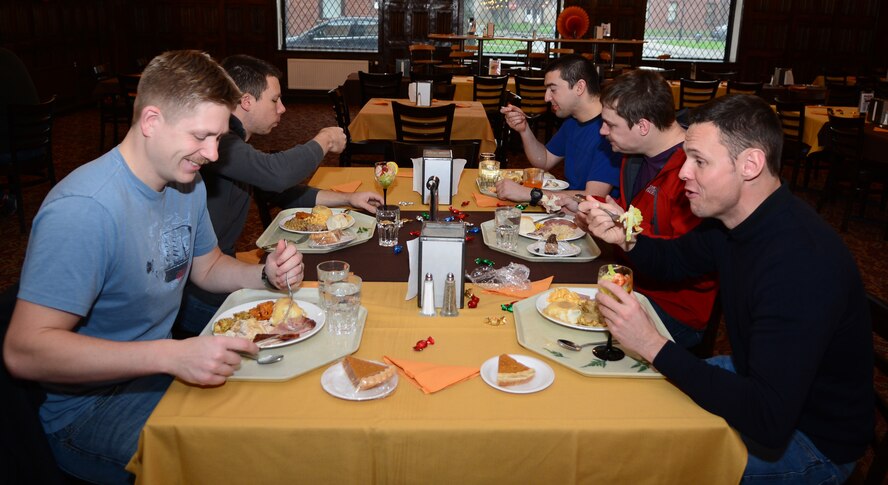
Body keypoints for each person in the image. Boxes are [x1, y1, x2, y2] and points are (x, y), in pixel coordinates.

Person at [2, 50, 306, 484]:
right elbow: (24, 351)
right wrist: (171, 354)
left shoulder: (186, 183)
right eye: (202, 136)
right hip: (89, 411)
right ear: (150, 122)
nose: (213, 153)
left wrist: (264, 273)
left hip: (152, 377)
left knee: (279, 414)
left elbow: (208, 267)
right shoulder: (86, 210)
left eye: (219, 138)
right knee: (248, 460)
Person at [583, 94, 873, 482]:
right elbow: (674, 263)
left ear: (750, 165)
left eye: (699, 161)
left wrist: (651, 343)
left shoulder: (799, 263)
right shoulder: (732, 221)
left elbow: (768, 418)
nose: (683, 172)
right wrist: (627, 238)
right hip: (758, 379)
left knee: (640, 465)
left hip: (813, 439)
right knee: (622, 404)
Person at [175, 54, 383, 335]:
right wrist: (323, 140)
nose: (282, 108)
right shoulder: (220, 144)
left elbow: (281, 192)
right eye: (275, 100)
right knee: (312, 318)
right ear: (246, 101)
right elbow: (277, 173)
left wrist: (347, 199)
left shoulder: (233, 146)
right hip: (195, 291)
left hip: (217, 269)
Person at [572, 69, 717, 348]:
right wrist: (600, 209)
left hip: (674, 311)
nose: (602, 132)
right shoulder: (635, 157)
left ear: (642, 126)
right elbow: (638, 216)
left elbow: (683, 262)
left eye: (610, 125)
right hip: (631, 284)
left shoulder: (695, 175)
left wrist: (626, 231)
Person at [495, 54, 621, 207]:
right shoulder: (574, 121)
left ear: (579, 87)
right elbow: (544, 161)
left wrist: (528, 193)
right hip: (571, 212)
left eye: (552, 89)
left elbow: (593, 197)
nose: (546, 97)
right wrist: (524, 129)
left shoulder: (610, 132)